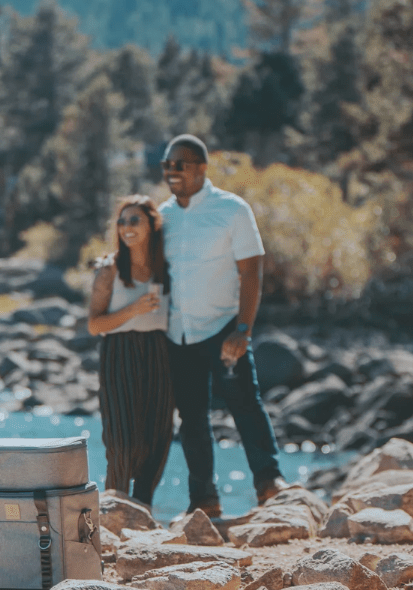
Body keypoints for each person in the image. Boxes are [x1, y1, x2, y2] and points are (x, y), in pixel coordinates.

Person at [159, 134, 286, 517]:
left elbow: (251, 273)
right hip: (177, 333)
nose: (171, 171)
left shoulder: (232, 209)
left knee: (245, 403)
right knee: (192, 416)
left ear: (201, 167)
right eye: (166, 165)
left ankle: (269, 481)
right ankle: (204, 500)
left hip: (223, 328)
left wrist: (243, 330)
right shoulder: (162, 216)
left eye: (179, 164)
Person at [87, 195, 174, 507]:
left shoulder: (167, 266)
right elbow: (95, 325)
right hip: (119, 352)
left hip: (160, 352)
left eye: (134, 220)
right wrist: (133, 309)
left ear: (152, 223)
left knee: (158, 437)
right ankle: (115, 510)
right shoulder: (109, 270)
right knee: (122, 443)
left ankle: (143, 509)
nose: (126, 227)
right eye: (122, 221)